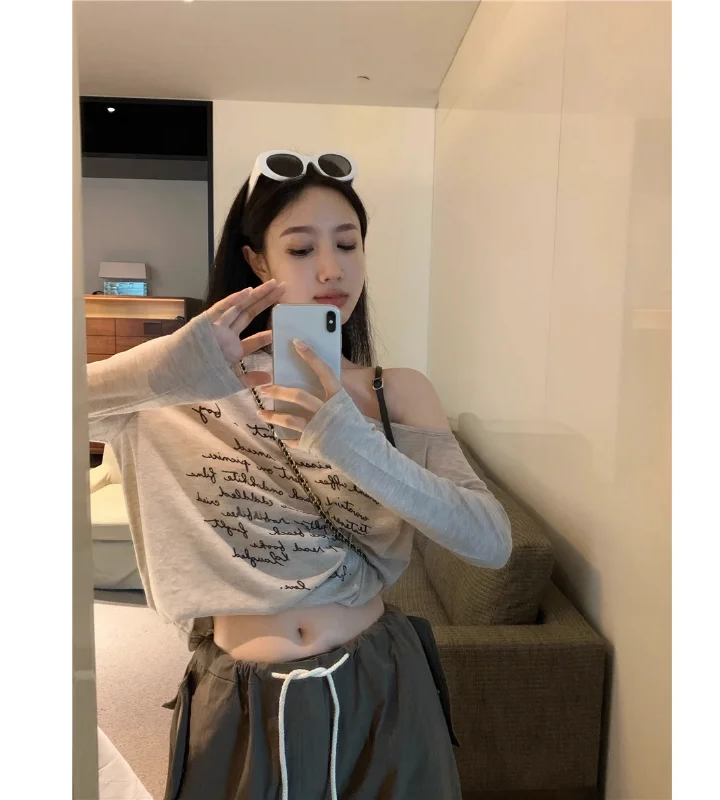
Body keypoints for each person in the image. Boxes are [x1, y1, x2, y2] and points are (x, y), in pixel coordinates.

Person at [87, 150, 512, 800]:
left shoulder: (395, 391)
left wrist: (351, 442)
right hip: (241, 698)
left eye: (348, 243)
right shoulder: (170, 388)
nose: (332, 268)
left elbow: (491, 541)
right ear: (257, 260)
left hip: (381, 683)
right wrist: (159, 371)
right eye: (302, 247)